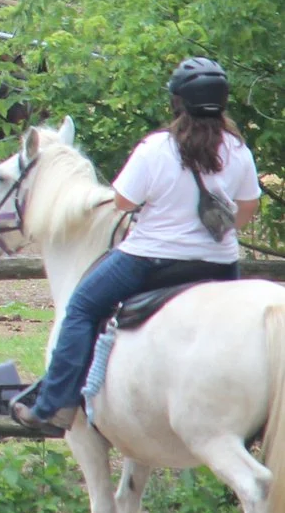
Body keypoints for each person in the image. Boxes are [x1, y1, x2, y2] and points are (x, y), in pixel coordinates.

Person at [14, 59, 262, 431]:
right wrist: (219, 230)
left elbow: (123, 203)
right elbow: (248, 208)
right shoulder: (238, 150)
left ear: (177, 103)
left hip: (150, 260)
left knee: (80, 308)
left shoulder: (156, 148)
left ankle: (57, 404)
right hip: (219, 264)